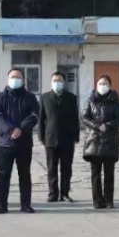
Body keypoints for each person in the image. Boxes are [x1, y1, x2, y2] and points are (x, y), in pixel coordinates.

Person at [0, 67, 39, 213]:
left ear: (23, 80)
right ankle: (2, 205)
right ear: (8, 79)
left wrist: (21, 129)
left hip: (24, 143)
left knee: (24, 174)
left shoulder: (30, 97)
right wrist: (11, 129)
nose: (15, 79)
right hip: (6, 143)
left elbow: (34, 116)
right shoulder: (0, 97)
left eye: (18, 77)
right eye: (12, 77)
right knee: (4, 174)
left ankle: (25, 205)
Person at [82, 75, 119, 209]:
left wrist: (107, 126)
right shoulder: (91, 101)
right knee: (95, 174)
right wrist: (97, 126)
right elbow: (84, 117)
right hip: (94, 141)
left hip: (110, 141)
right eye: (100, 83)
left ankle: (108, 200)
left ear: (109, 86)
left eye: (105, 83)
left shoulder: (115, 100)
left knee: (109, 173)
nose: (102, 86)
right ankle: (97, 200)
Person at [40, 72, 81, 203]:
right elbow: (41, 119)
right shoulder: (45, 97)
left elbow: (75, 119)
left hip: (67, 139)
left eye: (59, 80)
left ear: (64, 82)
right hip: (50, 138)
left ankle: (65, 193)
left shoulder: (71, 98)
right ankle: (53, 193)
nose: (57, 83)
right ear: (51, 82)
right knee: (51, 168)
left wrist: (76, 136)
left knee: (66, 168)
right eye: (55, 80)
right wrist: (42, 137)